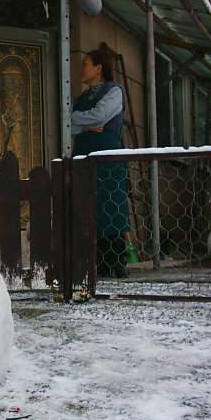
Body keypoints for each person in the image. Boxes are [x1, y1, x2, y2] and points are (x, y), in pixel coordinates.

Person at [71, 49, 130, 278]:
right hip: (84, 153)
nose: (82, 68)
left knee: (111, 205)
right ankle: (95, 262)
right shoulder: (82, 98)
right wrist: (87, 124)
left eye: (86, 64)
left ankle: (115, 261)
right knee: (87, 206)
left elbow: (100, 116)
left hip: (108, 156)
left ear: (98, 68)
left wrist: (85, 122)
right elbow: (70, 122)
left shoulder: (113, 91)